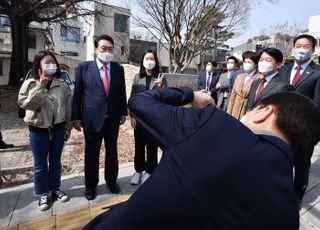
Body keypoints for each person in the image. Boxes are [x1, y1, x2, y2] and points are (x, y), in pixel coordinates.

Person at [84, 87, 320, 230]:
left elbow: (140, 102)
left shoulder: (215, 126)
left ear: (264, 111)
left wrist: (192, 95)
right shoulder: (288, 215)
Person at [72, 34, 128, 200]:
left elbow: (121, 93)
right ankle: (90, 186)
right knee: (92, 153)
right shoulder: (83, 68)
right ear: (96, 49)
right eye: (104, 48)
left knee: (112, 151)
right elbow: (77, 95)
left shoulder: (118, 69)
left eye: (110, 49)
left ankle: (111, 181)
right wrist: (76, 117)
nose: (107, 52)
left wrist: (123, 112)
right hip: (91, 118)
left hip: (112, 119)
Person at [18, 51, 72, 211]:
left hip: (58, 131)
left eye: (53, 62)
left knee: (55, 162)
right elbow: (26, 105)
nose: (51, 65)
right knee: (40, 164)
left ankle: (55, 189)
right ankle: (43, 193)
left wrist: (68, 127)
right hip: (38, 131)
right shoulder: (30, 84)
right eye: (47, 63)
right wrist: (40, 86)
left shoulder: (62, 85)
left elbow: (68, 108)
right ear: (39, 66)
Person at [279, 34, 320, 205]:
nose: (301, 49)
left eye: (306, 46)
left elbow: (318, 105)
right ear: (292, 48)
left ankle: (296, 197)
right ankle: (281, 190)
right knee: (282, 159)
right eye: (298, 45)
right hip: (281, 124)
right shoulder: (284, 69)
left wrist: (314, 132)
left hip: (304, 127)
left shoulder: (317, 73)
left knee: (302, 164)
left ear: (312, 49)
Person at [130, 50, 167, 185]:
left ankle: (150, 171)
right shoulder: (136, 77)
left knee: (152, 147)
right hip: (139, 119)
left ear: (156, 61)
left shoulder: (161, 77)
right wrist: (132, 116)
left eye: (152, 58)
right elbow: (132, 99)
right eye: (147, 58)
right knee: (139, 146)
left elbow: (164, 98)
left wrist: (158, 88)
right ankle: (138, 170)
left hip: (153, 120)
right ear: (143, 61)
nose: (149, 61)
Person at [227, 51, 261, 119]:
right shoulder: (239, 76)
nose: (246, 64)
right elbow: (233, 95)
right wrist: (229, 112)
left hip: (247, 112)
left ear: (256, 64)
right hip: (235, 111)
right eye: (245, 62)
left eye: (249, 62)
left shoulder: (259, 78)